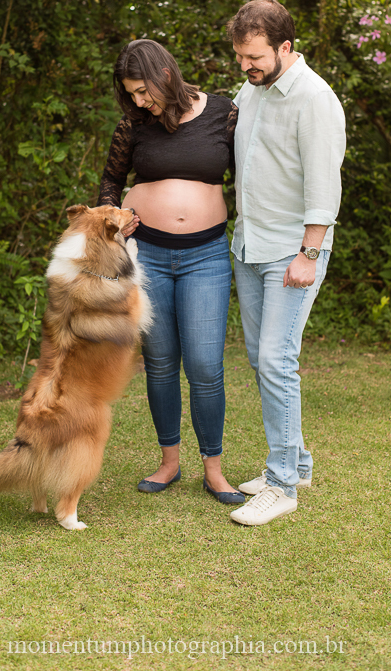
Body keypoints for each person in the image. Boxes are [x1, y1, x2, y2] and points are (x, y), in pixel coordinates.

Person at [97, 38, 244, 504]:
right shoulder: (134, 125)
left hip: (206, 256)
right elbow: (110, 183)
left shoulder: (225, 114)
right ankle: (168, 463)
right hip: (150, 257)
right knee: (160, 363)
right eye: (131, 94)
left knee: (204, 364)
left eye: (143, 90)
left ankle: (215, 470)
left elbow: (251, 175)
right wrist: (114, 224)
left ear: (164, 75)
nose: (139, 101)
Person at [226, 0, 346, 526]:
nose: (246, 67)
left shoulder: (315, 99)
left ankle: (282, 485)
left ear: (285, 47)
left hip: (291, 255)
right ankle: (297, 460)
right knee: (262, 359)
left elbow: (325, 182)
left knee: (276, 360)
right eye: (240, 58)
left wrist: (309, 253)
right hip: (249, 246)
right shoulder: (252, 91)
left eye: (255, 57)